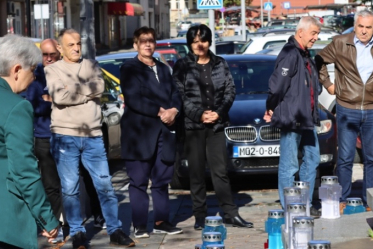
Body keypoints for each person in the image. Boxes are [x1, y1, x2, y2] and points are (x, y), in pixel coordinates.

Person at [45, 29, 134, 249]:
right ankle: (77, 233)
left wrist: (72, 89)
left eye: (78, 44)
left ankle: (114, 230)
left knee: (104, 184)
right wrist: (86, 91)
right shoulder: (52, 68)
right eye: (70, 45)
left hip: (93, 134)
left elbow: (100, 87)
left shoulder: (92, 65)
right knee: (70, 188)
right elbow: (59, 96)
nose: (76, 48)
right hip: (65, 135)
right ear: (60, 48)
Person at [173, 24, 253, 230]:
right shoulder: (182, 65)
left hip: (216, 126)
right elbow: (180, 95)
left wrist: (218, 112)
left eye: (204, 40)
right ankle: (200, 215)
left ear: (209, 42)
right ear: (190, 43)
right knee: (197, 173)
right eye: (195, 41)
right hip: (193, 127)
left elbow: (230, 91)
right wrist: (200, 114)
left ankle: (230, 213)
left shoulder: (220, 63)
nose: (200, 45)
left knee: (220, 172)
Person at [315, 9, 373, 210]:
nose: (364, 31)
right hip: (346, 107)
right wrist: (329, 85)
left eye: (369, 27)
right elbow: (318, 60)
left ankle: (370, 200)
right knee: (345, 157)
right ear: (355, 26)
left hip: (372, 109)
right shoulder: (341, 42)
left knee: (371, 157)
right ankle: (342, 199)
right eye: (361, 26)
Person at [120, 27, 183, 238]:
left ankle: (161, 221)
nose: (148, 44)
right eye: (143, 41)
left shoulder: (164, 69)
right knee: (138, 180)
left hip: (165, 132)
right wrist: (159, 111)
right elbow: (133, 98)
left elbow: (176, 93)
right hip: (139, 134)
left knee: (162, 179)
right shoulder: (129, 68)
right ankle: (139, 225)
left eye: (151, 41)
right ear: (136, 44)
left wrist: (174, 110)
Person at [0, 35, 59, 249]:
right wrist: (47, 218)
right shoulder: (17, 107)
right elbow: (24, 169)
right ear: (16, 70)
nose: (34, 77)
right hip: (7, 220)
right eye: (32, 70)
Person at [264, 16, 322, 214]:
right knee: (289, 165)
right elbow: (277, 86)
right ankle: (289, 206)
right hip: (292, 118)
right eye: (313, 33)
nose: (316, 37)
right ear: (301, 32)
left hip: (306, 118)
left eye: (317, 33)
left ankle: (303, 202)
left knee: (313, 159)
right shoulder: (290, 53)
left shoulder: (305, 54)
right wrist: (270, 107)